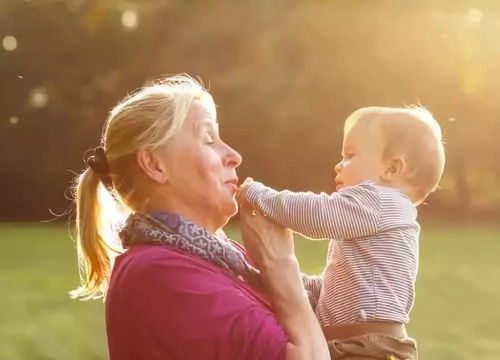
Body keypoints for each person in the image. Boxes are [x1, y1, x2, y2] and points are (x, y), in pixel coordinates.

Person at [70, 74, 329, 360]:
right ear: (155, 164)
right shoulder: (159, 273)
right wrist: (281, 265)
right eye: (209, 140)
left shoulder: (224, 260)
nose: (234, 155)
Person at [238, 106, 446, 359]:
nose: (338, 166)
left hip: (369, 348)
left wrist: (261, 196)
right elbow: (336, 289)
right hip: (359, 343)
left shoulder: (382, 201)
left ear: (391, 169)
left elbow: (318, 215)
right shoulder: (374, 217)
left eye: (350, 155)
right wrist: (296, 282)